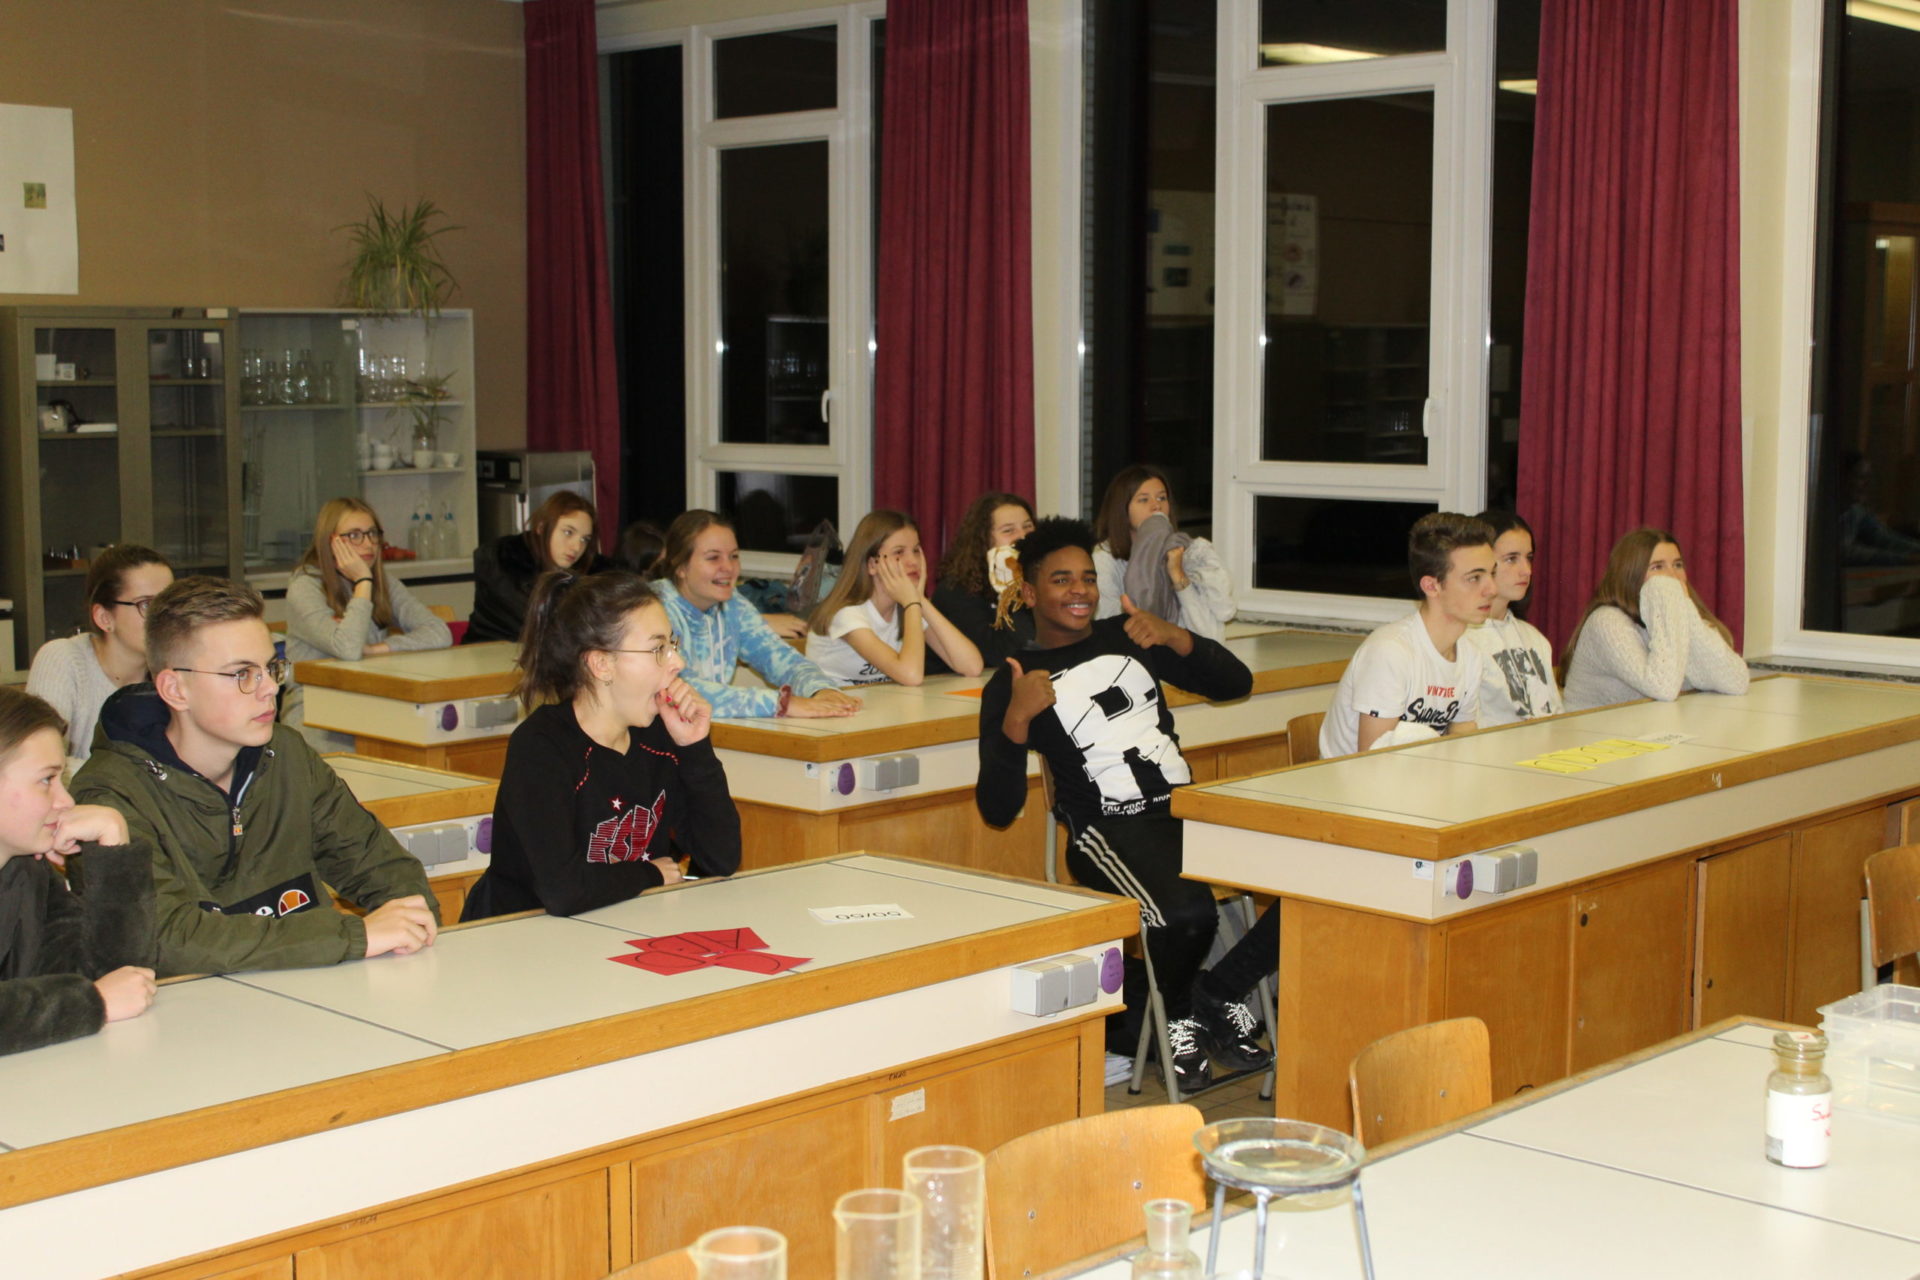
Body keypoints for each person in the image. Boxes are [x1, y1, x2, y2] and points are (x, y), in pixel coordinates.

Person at [975, 518, 1265, 1090]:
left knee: (1310, 882)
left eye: (1087, 578)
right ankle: (1177, 1018)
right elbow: (998, 807)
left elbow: (1237, 684)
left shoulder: (1129, 635)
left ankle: (1216, 990)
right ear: (1029, 592)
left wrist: (1176, 637)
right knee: (1186, 914)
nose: (1080, 590)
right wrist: (1017, 718)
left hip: (1184, 812)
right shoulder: (1015, 679)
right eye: (1061, 580)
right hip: (1107, 830)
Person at [72, 577, 439, 976]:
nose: (269, 690)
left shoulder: (286, 754)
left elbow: (384, 867)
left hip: (312, 989)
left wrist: (409, 921)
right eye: (242, 674)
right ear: (175, 689)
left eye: (271, 667)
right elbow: (163, 942)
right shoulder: (109, 795)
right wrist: (353, 936)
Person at [462, 571, 741, 920]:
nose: (678, 662)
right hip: (522, 933)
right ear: (602, 664)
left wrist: (694, 748)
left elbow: (722, 858)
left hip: (622, 923)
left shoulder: (659, 735)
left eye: (673, 644)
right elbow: (563, 892)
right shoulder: (541, 747)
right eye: (658, 649)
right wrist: (650, 874)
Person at [0, 687, 157, 1056]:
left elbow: (121, 978)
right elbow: (99, 993)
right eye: (46, 780)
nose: (66, 801)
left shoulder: (26, 872)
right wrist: (91, 1003)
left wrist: (113, 847)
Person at [1320, 513, 1496, 759]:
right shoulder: (1390, 651)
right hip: (1355, 779)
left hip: (1422, 775)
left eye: (1492, 574)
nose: (1492, 589)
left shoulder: (1471, 654)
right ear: (1431, 586)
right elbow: (1374, 759)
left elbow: (1462, 736)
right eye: (1474, 578)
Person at [652, 511, 860, 719]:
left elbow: (780, 658)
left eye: (734, 556)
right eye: (713, 558)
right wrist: (780, 703)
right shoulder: (654, 609)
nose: (728, 567)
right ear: (680, 567)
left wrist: (821, 690)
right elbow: (675, 688)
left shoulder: (733, 605)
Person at [282, 497, 453, 746]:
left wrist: (379, 649)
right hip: (316, 710)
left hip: (372, 698)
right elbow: (349, 649)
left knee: (424, 742)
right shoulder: (305, 586)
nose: (368, 544)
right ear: (330, 541)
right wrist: (362, 582)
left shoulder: (383, 581)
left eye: (373, 534)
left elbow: (440, 632)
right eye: (354, 535)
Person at [1561, 528, 1750, 711]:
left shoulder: (1679, 614)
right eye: (1658, 567)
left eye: (1678, 565)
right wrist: (1665, 597)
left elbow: (1735, 681)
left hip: (1653, 726)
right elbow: (1663, 687)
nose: (1672, 576)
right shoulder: (1607, 622)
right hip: (1593, 730)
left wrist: (1686, 613)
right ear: (1631, 574)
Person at [26, 544, 173, 766]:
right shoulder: (63, 659)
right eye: (146, 604)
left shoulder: (175, 672)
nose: (165, 616)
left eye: (170, 602)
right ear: (104, 618)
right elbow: (40, 762)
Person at [806, 510, 984, 686]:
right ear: (872, 564)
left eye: (916, 550)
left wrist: (920, 600)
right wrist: (912, 602)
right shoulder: (846, 614)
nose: (913, 561)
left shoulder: (907, 607)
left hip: (880, 702)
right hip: (833, 702)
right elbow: (911, 676)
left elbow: (972, 666)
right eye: (899, 552)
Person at [1092, 464, 1236, 642]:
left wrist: (1179, 578)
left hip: (1181, 654)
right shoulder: (1104, 558)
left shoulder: (1189, 551)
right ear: (1122, 509)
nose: (1156, 506)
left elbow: (1211, 637)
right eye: (1143, 500)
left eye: (1162, 498)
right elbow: (1110, 630)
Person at [465, 490, 610, 644]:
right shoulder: (504, 562)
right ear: (541, 527)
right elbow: (539, 621)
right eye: (568, 532)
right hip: (487, 652)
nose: (576, 547)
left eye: (584, 539)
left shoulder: (593, 572)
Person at [1463, 510, 1561, 726]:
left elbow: (1556, 717)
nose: (1526, 571)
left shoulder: (1535, 639)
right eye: (1511, 559)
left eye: (1529, 558)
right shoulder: (1460, 640)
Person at [931, 491, 1037, 669]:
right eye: (1008, 530)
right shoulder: (957, 590)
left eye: (1028, 526)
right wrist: (1010, 588)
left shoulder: (1038, 580)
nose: (1023, 536)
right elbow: (1003, 656)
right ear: (984, 539)